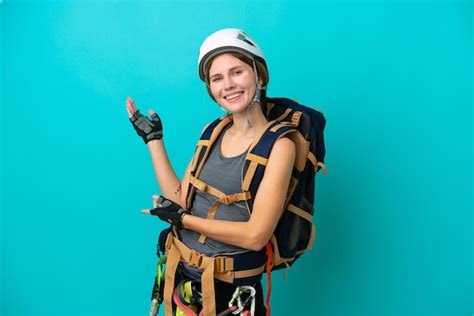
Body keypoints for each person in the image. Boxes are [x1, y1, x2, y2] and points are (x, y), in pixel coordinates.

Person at [126, 28, 296, 316]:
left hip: (233, 291)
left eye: (237, 72)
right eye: (217, 78)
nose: (228, 85)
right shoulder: (212, 131)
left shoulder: (280, 146)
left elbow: (256, 235)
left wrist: (185, 221)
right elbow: (180, 199)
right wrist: (154, 140)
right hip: (184, 278)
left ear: (259, 76)